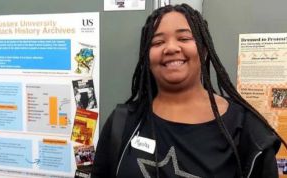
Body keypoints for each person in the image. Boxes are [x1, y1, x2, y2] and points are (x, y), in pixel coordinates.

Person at [91, 3, 286, 178]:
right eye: (158, 42)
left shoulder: (247, 131)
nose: (171, 48)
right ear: (146, 56)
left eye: (184, 38)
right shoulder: (123, 122)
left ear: (204, 49)